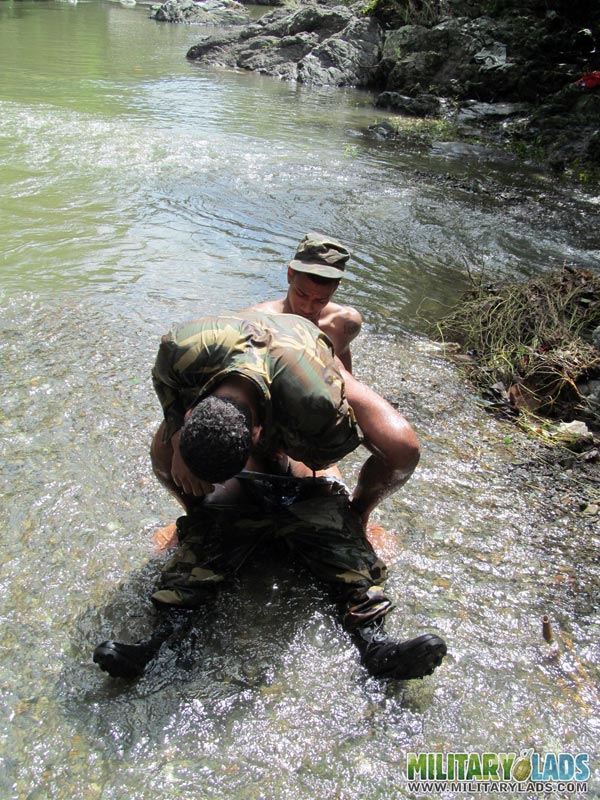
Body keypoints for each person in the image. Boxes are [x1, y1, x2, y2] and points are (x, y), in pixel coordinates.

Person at [93, 312, 446, 681]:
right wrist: (184, 455)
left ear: (259, 432)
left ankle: (375, 645)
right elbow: (166, 416)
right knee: (204, 543)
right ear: (193, 408)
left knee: (342, 544)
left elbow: (326, 465)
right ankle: (156, 641)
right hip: (243, 427)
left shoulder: (319, 405)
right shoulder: (176, 351)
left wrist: (358, 516)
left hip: (300, 452)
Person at [248, 232, 361, 371]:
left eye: (320, 300)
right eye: (301, 294)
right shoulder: (256, 322)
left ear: (335, 288)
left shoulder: (343, 324)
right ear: (290, 274)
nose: (308, 308)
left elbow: (345, 380)